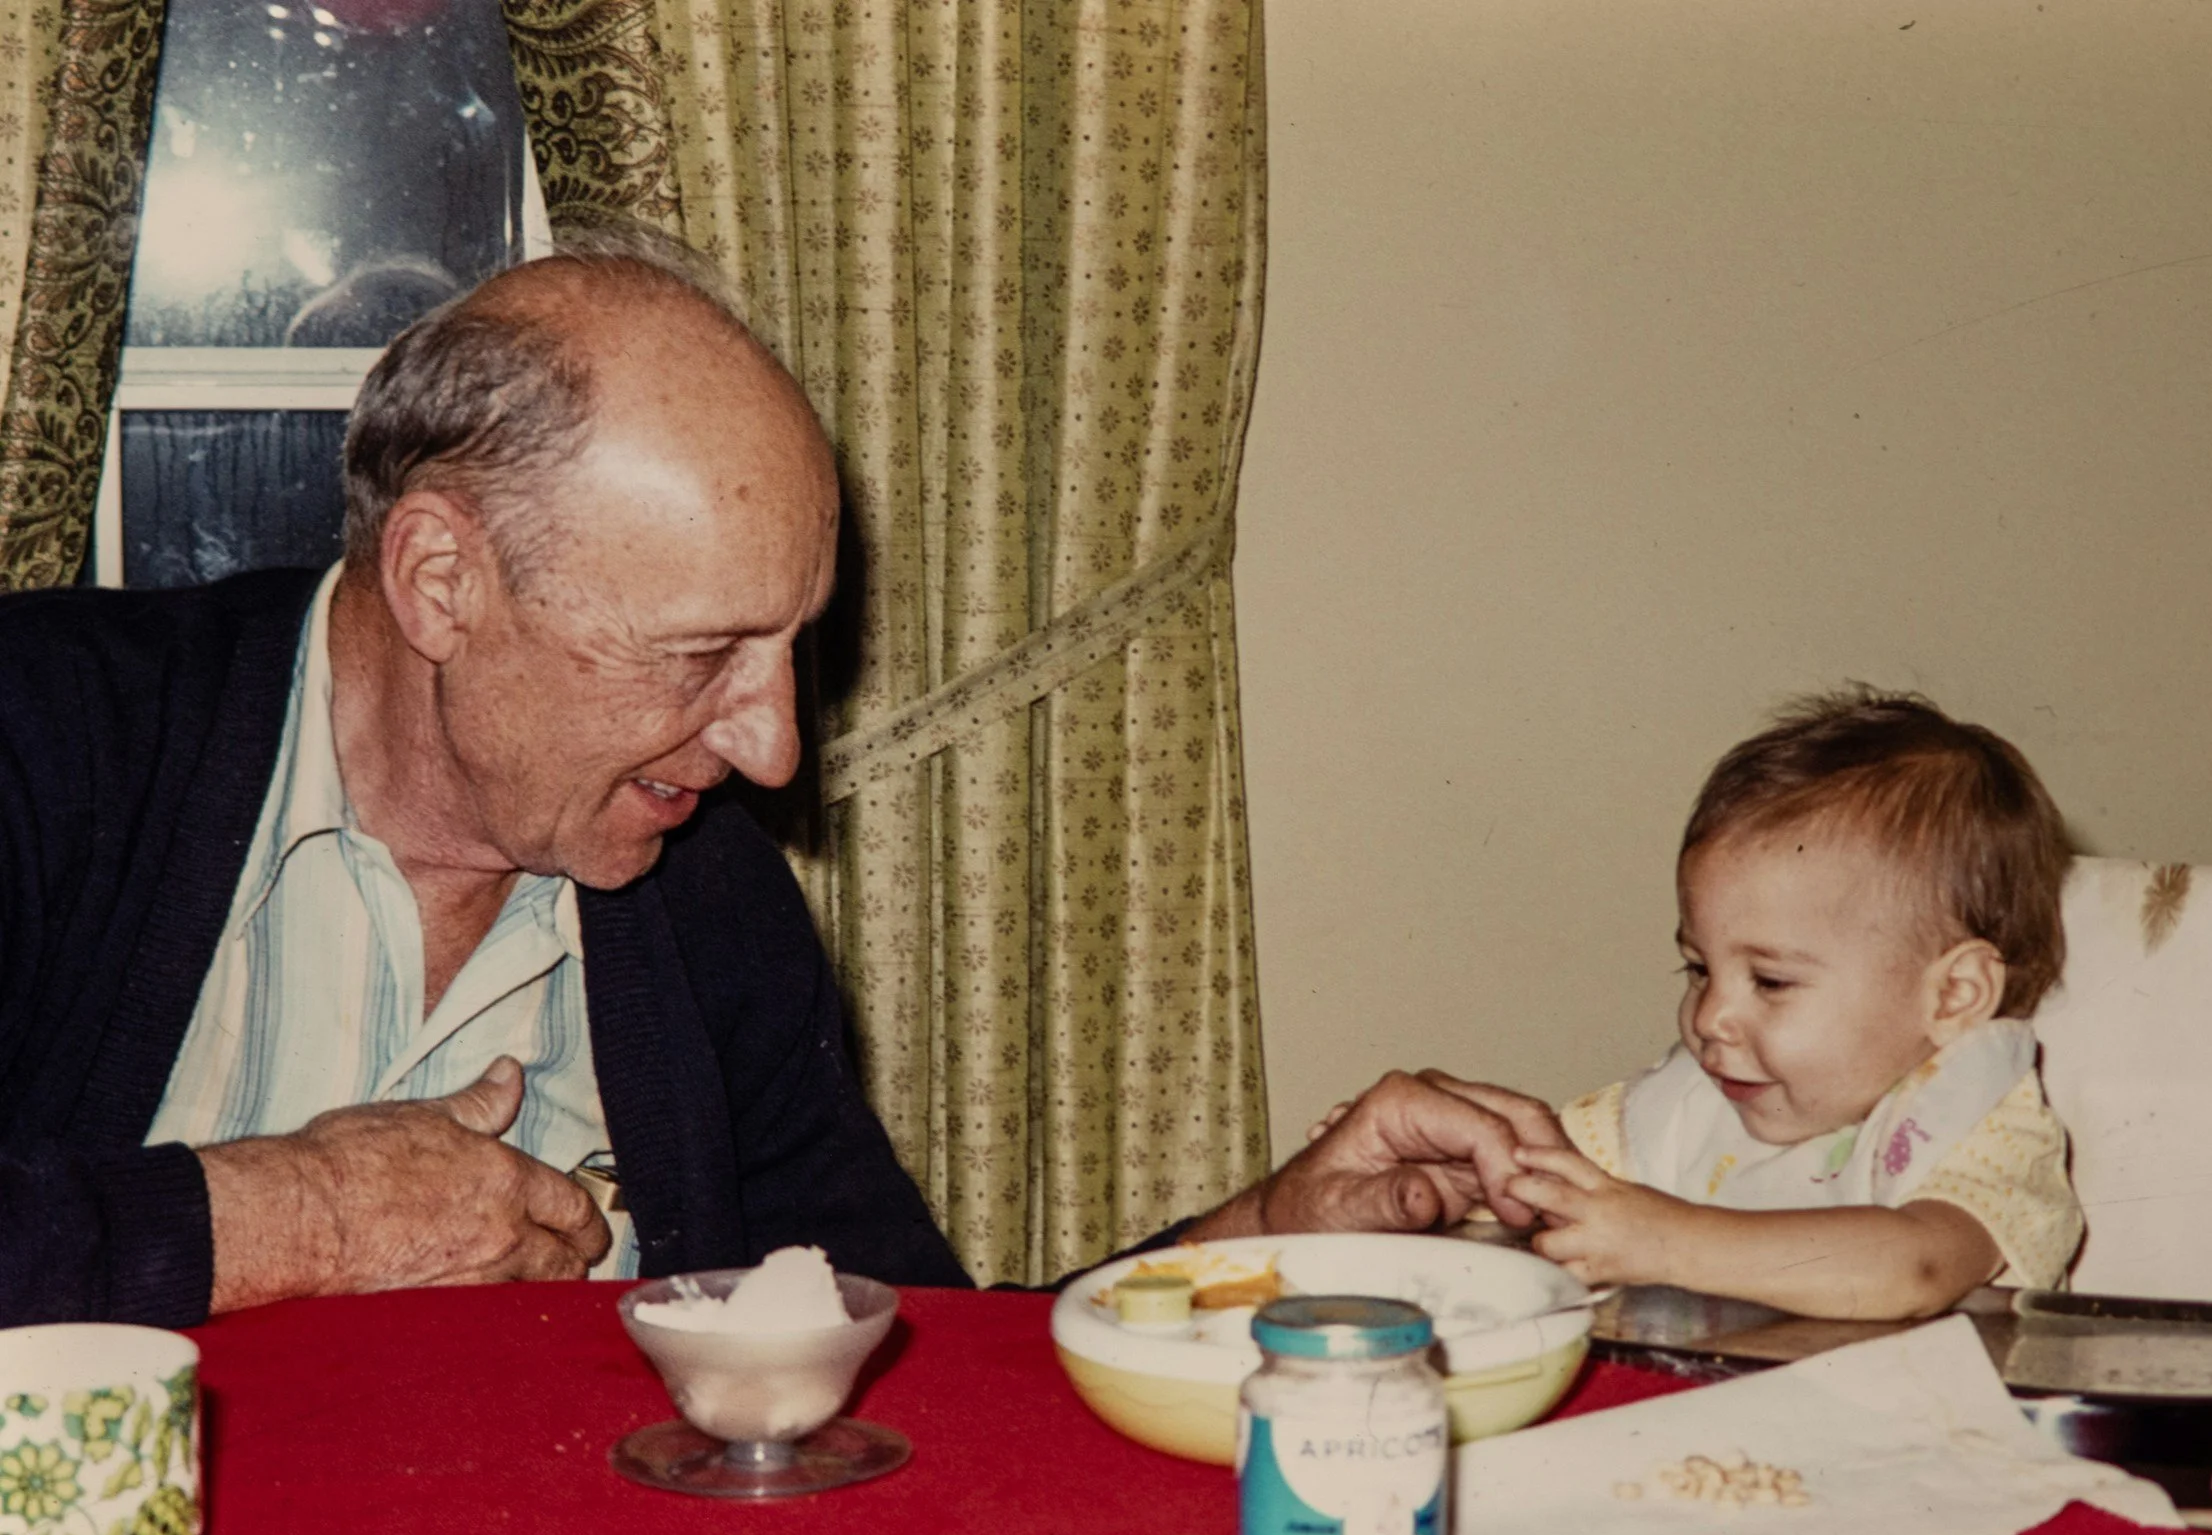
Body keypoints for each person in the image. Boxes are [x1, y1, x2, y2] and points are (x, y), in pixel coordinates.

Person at [0, 240, 1555, 1330]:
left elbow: (903, 1366)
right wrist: (295, 1224)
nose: (772, 750)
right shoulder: (49, 737)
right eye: (699, 655)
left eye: (792, 649)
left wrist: (1258, 1246)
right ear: (440, 581)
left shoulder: (691, 886)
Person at [1342, 690, 2086, 1322]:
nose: (1708, 1018)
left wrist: (1671, 1241)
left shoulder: (1984, 1126)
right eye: (1698, 969)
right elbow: (1560, 1193)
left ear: (1954, 994)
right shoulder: (1701, 1102)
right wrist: (1457, 1178)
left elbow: (1918, 1268)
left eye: (1771, 981)